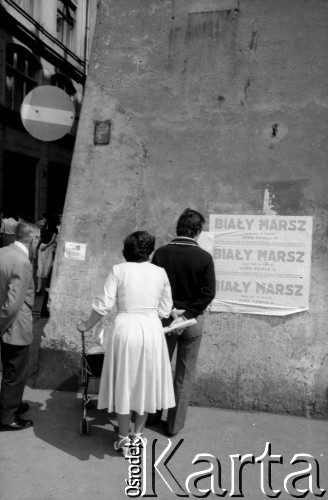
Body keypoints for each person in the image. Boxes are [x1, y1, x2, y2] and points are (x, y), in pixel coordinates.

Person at [77, 231, 175, 456]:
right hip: (150, 330)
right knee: (145, 384)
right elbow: (165, 309)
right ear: (150, 251)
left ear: (126, 250)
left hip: (125, 329)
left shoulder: (118, 270)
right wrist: (148, 317)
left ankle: (123, 438)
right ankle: (138, 436)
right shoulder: (160, 273)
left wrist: (87, 324)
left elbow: (104, 305)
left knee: (123, 383)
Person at [149, 208, 216, 436]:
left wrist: (172, 312)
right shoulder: (204, 258)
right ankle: (174, 425)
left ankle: (152, 416)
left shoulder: (161, 254)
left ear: (178, 228)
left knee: (159, 368)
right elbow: (208, 293)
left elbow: (155, 288)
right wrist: (187, 315)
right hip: (192, 321)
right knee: (184, 374)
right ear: (197, 231)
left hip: (165, 319)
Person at [0, 222, 35, 431]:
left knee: (9, 367)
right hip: (14, 324)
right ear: (32, 239)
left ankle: (10, 404)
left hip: (7, 321)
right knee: (16, 371)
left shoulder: (3, 252)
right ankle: (7, 416)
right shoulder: (22, 261)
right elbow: (13, 303)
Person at [36, 215, 58, 294]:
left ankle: (47, 287)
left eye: (44, 218)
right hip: (42, 247)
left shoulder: (54, 229)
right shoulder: (43, 227)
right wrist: (38, 246)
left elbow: (52, 240)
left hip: (48, 248)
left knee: (48, 267)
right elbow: (40, 238)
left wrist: (46, 246)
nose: (43, 219)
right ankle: (38, 289)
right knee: (40, 267)